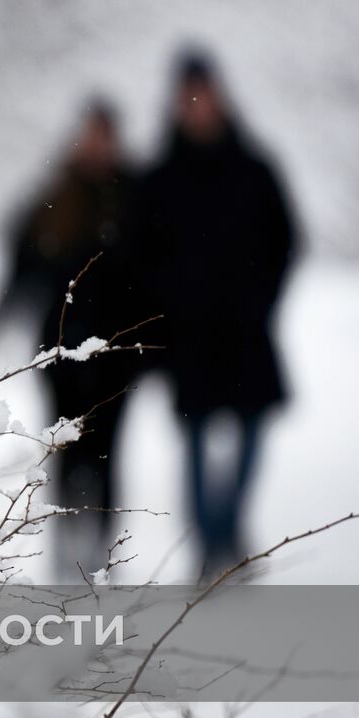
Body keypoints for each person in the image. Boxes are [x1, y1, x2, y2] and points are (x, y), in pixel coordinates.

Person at [135, 49, 297, 579]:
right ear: (177, 103)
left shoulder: (254, 167)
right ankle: (209, 548)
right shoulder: (160, 176)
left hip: (248, 327)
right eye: (189, 96)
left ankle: (230, 528)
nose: (199, 106)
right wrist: (169, 303)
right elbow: (139, 254)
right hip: (189, 334)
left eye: (206, 94)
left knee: (253, 428)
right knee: (196, 437)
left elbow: (287, 239)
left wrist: (263, 297)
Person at [0, 98, 144, 572]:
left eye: (105, 135)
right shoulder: (55, 195)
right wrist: (2, 313)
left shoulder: (135, 197)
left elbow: (159, 272)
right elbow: (20, 261)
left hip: (117, 351)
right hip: (59, 350)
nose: (98, 144)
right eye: (91, 134)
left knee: (109, 450)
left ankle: (101, 549)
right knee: (64, 447)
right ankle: (63, 544)